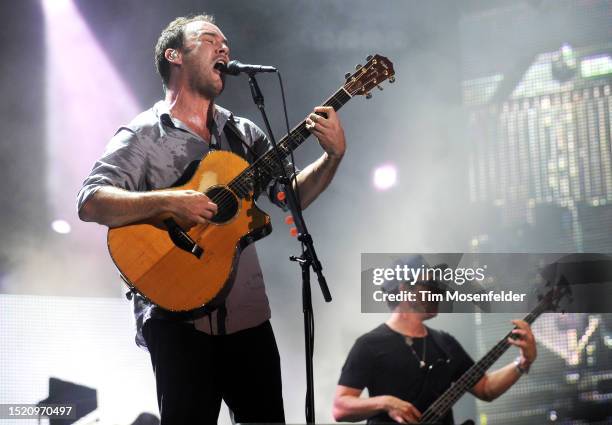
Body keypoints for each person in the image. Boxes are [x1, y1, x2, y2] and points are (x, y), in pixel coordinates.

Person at [77, 14, 346, 424]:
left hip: (248, 316)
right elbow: (91, 201)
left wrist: (332, 157)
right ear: (174, 55)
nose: (224, 48)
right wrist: (169, 201)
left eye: (227, 44)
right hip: (175, 318)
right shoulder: (144, 134)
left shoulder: (244, 133)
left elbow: (292, 199)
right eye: (209, 40)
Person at [333, 256, 537, 424]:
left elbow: (485, 388)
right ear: (405, 289)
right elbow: (341, 407)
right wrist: (386, 402)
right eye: (430, 285)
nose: (438, 293)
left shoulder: (444, 342)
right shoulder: (369, 345)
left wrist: (523, 362)